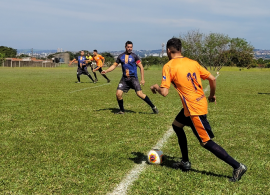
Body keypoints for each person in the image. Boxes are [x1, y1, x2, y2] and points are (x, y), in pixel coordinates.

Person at [150, 38, 247, 182]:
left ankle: (237, 166)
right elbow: (212, 79)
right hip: (196, 104)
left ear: (169, 51)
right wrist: (212, 95)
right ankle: (185, 162)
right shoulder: (193, 63)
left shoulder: (169, 66)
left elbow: (164, 92)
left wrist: (156, 87)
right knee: (176, 126)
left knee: (205, 142)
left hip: (194, 109)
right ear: (180, 49)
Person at [101, 41, 158, 114]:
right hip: (124, 79)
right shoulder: (120, 56)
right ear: (125, 47)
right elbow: (114, 65)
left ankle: (153, 107)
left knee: (140, 94)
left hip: (133, 79)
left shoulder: (134, 56)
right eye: (128, 47)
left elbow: (141, 67)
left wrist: (142, 79)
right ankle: (122, 110)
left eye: (131, 47)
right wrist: (106, 71)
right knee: (118, 94)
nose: (129, 48)